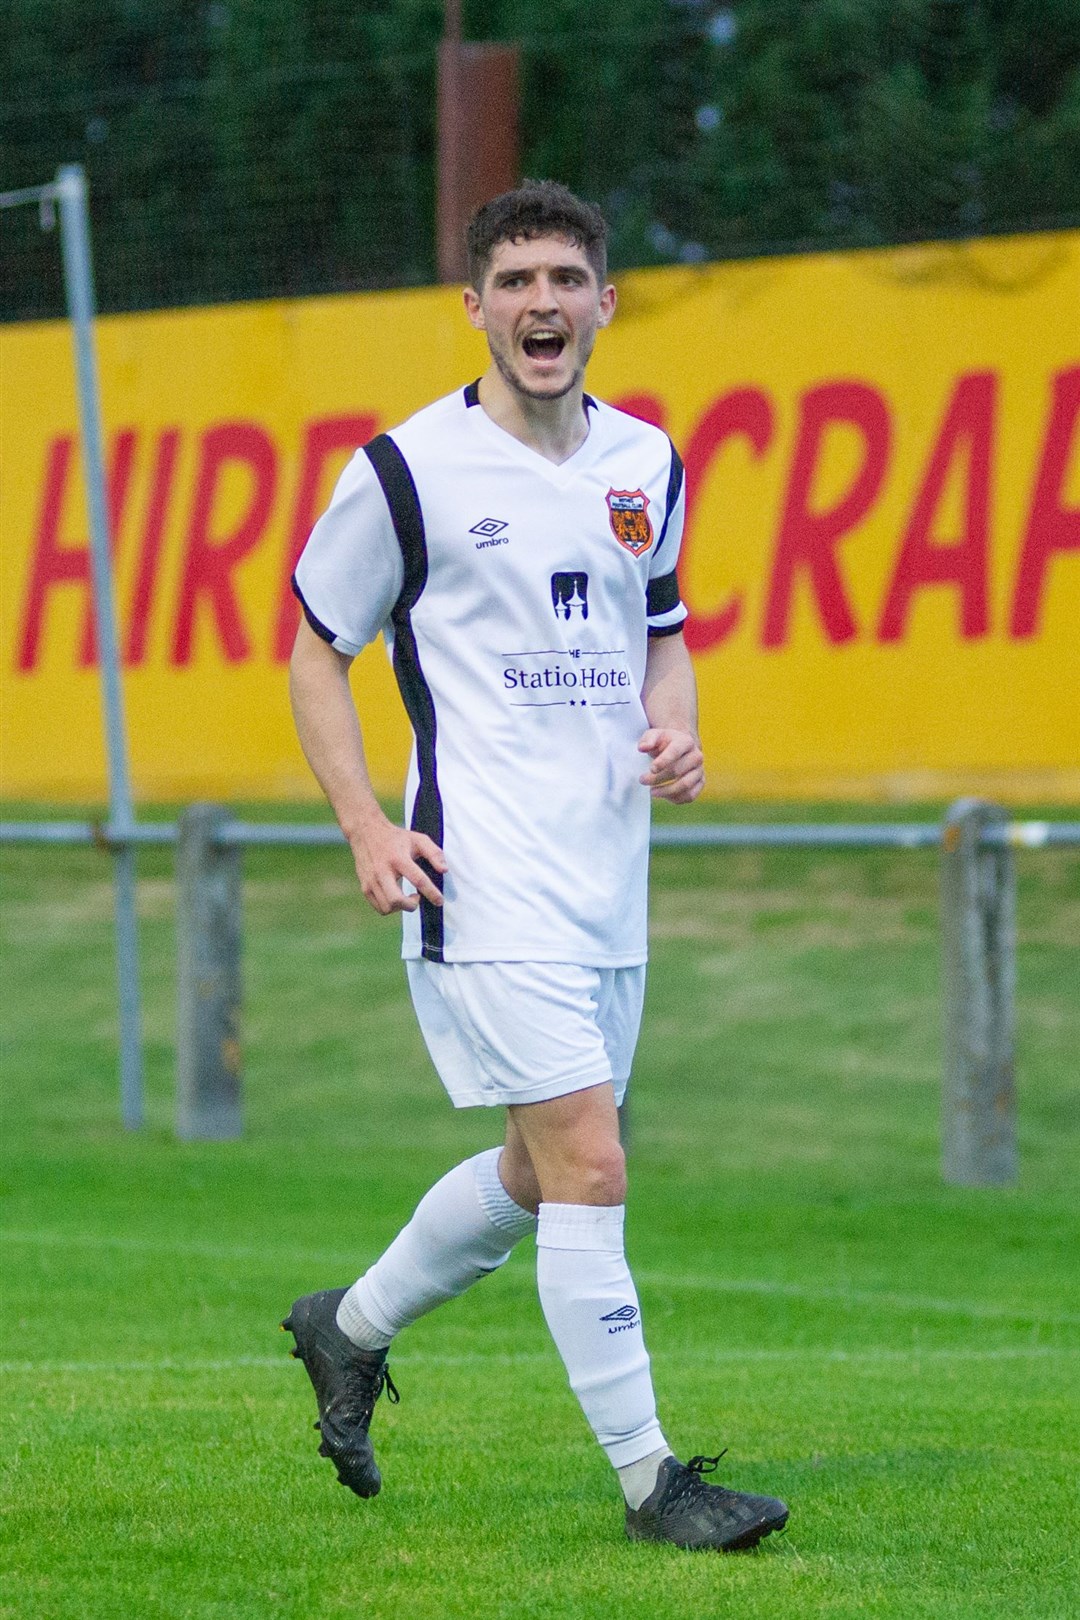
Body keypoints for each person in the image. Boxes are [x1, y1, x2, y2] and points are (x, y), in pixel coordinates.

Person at [283, 179, 788, 1552]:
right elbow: (313, 652)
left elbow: (665, 631)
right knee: (593, 1163)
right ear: (475, 308)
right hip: (479, 876)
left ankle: (348, 1328)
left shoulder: (647, 464)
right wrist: (365, 830)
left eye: (565, 278)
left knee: (531, 1170)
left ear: (605, 301)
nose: (542, 304)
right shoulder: (404, 471)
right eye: (515, 283)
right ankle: (653, 1483)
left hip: (605, 882)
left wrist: (676, 725)